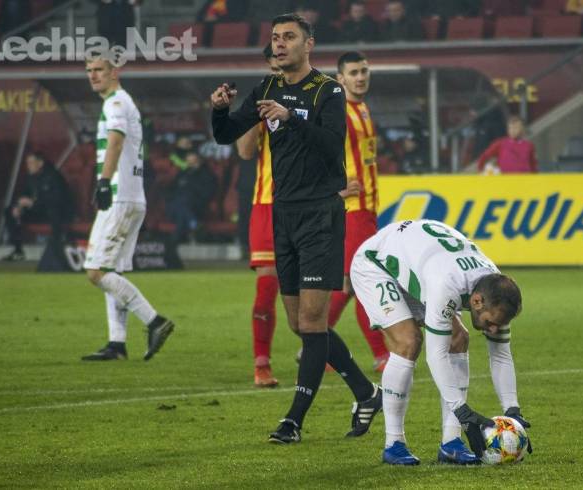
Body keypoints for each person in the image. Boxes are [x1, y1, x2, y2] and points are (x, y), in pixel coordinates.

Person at [211, 13, 382, 444]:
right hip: (282, 215)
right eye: (275, 37)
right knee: (300, 324)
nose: (280, 43)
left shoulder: (328, 90)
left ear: (309, 44)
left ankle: (293, 421)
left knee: (311, 319)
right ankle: (366, 392)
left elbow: (331, 144)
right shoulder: (266, 88)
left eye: (289, 37)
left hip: (321, 214)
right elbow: (227, 135)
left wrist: (291, 118)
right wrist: (219, 110)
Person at [350, 219, 532, 465]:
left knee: (459, 338)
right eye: (491, 322)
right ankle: (393, 444)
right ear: (476, 302)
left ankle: (451, 444)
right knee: (409, 341)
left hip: (420, 262)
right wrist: (461, 410)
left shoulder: (496, 292)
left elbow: (500, 354)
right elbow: (436, 355)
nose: (493, 329)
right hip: (376, 264)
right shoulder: (447, 285)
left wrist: (512, 409)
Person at [82, 56, 174, 362]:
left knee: (96, 271)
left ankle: (154, 321)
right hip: (131, 197)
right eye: (89, 71)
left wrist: (103, 182)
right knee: (112, 271)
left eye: (99, 70)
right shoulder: (121, 102)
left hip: (119, 197)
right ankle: (117, 344)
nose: (93, 75)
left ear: (114, 72)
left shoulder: (116, 103)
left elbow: (116, 142)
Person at [330, 51, 389, 371]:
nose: (361, 77)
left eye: (364, 71)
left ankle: (316, 344)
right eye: (353, 73)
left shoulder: (362, 109)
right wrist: (333, 191)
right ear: (340, 79)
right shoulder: (337, 113)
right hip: (352, 210)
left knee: (350, 284)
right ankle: (381, 354)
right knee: (364, 280)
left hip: (367, 209)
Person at [234, 43, 283, 387]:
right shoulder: (260, 101)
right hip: (268, 205)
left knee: (311, 295)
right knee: (266, 288)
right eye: (274, 67)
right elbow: (245, 151)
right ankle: (261, 363)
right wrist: (255, 113)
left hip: (307, 207)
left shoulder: (317, 97)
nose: (279, 72)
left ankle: (320, 352)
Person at [2, 152, 74, 261]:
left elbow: (57, 200)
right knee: (9, 211)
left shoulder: (53, 176)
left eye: (31, 163)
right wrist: (18, 206)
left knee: (54, 211)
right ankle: (18, 251)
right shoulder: (30, 178)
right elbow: (24, 195)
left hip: (55, 213)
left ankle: (56, 250)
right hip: (38, 212)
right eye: (27, 163)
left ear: (40, 163)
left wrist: (33, 203)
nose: (28, 166)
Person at [165, 152, 218, 245]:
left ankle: (178, 235)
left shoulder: (207, 174)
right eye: (189, 162)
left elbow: (208, 193)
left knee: (182, 206)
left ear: (200, 161)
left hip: (196, 204)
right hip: (176, 205)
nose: (191, 164)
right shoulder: (182, 173)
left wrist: (192, 188)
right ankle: (194, 224)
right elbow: (171, 189)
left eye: (194, 162)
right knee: (180, 204)